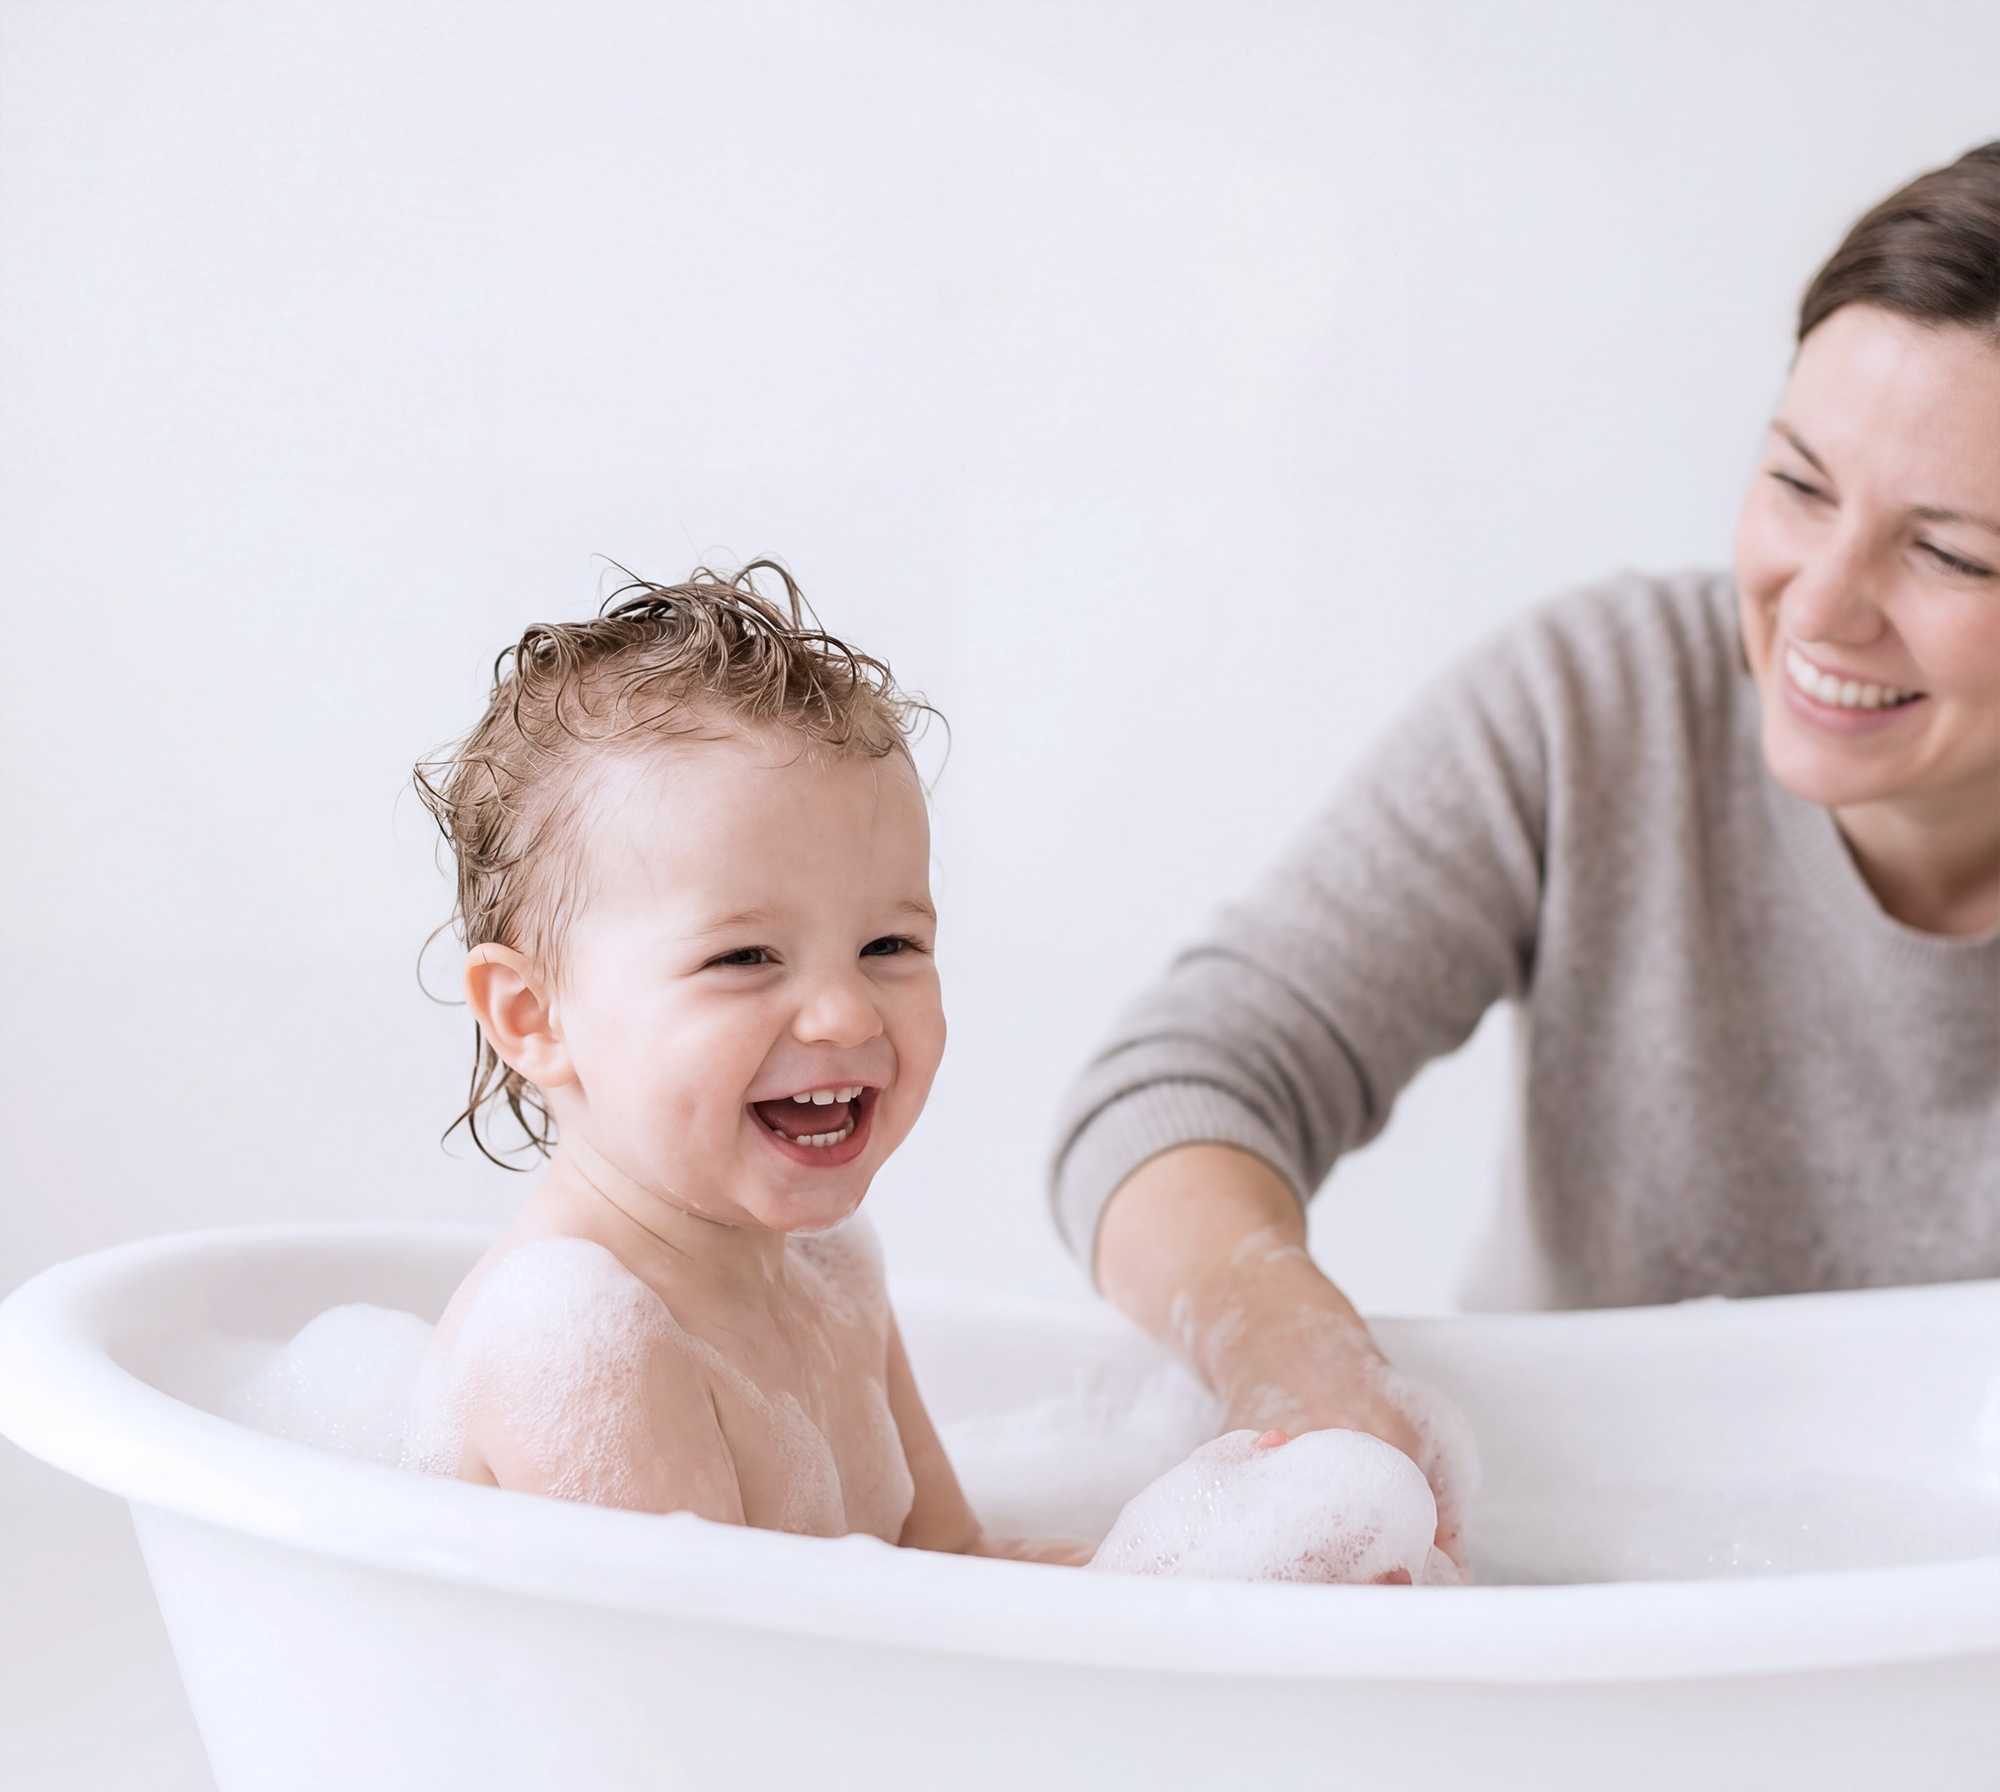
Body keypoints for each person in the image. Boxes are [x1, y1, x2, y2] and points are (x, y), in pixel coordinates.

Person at [1051, 142, 2000, 1538]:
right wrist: (1289, 1352)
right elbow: (1170, 1091)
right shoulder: (1600, 708)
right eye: (1798, 484)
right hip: (1574, 1595)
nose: (1823, 606)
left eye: (1953, 554)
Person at [405, 564, 1089, 1563]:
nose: (845, 1009)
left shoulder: (828, 1268)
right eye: (743, 956)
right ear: (533, 1014)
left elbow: (953, 1560)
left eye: (889, 945)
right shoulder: (579, 1343)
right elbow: (712, 1700)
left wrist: (1227, 1592)